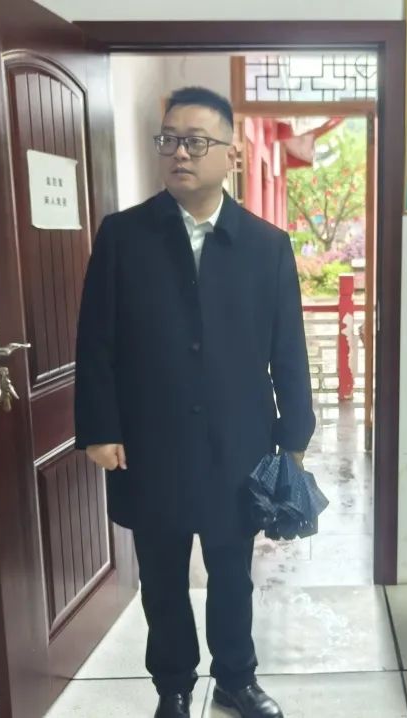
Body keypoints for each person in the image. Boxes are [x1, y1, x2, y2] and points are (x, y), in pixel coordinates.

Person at [74, 86, 314, 718]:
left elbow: (288, 348)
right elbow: (96, 341)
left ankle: (236, 677)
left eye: (196, 141)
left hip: (238, 442)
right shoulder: (124, 235)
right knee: (161, 575)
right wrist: (99, 426)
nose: (180, 153)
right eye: (170, 140)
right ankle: (173, 686)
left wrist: (295, 433)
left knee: (232, 571)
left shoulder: (265, 245)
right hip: (149, 441)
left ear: (231, 154)